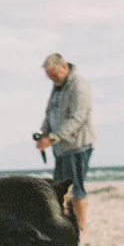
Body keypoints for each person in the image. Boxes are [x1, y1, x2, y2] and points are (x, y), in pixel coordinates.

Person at [35, 53, 97, 232]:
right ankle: (68, 225)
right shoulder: (57, 87)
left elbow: (79, 117)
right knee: (59, 190)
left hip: (78, 146)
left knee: (75, 189)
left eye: (54, 75)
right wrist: (43, 134)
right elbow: (49, 114)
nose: (53, 79)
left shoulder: (79, 85)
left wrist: (53, 137)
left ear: (64, 67)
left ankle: (81, 228)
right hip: (61, 148)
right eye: (49, 77)